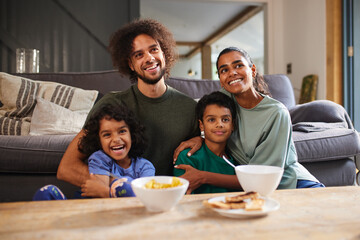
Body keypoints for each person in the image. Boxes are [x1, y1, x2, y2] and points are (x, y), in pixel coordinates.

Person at [56, 18, 198, 191]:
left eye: (154, 49)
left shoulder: (190, 108)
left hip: (166, 197)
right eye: (139, 55)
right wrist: (122, 190)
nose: (149, 58)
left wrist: (201, 138)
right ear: (130, 64)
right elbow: (67, 168)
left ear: (164, 54)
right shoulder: (112, 104)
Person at [174, 47, 324, 193]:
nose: (232, 73)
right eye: (224, 70)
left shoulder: (276, 113)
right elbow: (203, 113)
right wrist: (200, 137)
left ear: (252, 70)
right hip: (254, 188)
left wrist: (203, 177)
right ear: (220, 79)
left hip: (291, 184)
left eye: (238, 65)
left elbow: (260, 179)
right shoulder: (224, 98)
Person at [33, 104, 155, 200]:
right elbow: (98, 196)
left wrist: (105, 192)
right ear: (99, 141)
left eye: (122, 131)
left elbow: (144, 199)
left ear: (132, 135)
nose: (116, 139)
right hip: (85, 208)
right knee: (47, 192)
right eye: (107, 135)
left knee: (125, 186)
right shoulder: (99, 158)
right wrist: (105, 191)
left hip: (119, 213)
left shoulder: (145, 167)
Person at [174, 91, 241, 194]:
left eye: (225, 119)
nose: (219, 124)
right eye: (211, 120)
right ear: (201, 125)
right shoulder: (187, 156)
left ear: (233, 125)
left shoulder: (236, 162)